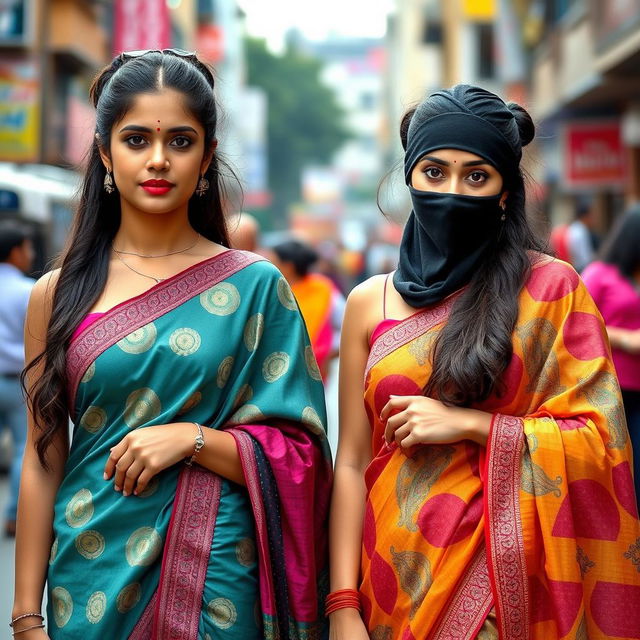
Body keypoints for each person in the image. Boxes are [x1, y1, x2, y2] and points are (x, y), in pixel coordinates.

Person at [11, 50, 332, 639]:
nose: (158, 160)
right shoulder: (56, 295)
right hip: (89, 576)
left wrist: (193, 440)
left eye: (180, 142)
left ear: (207, 156)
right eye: (136, 140)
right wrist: (26, 616)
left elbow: (302, 454)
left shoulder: (255, 287)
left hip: (218, 580)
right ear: (105, 152)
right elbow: (41, 458)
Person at [329, 84, 640, 640]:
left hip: (506, 586)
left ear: (504, 193)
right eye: (434, 172)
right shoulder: (366, 304)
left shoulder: (549, 289)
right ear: (409, 178)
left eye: (476, 176)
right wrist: (342, 604)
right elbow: (350, 462)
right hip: (388, 583)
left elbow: (601, 439)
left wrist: (473, 426)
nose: (452, 191)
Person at [582, 205, 640, 513]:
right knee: (615, 462)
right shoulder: (599, 275)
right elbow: (578, 322)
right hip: (612, 385)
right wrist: (626, 339)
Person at [0, 220, 34, 538]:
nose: (30, 253)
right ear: (15, 252)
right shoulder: (28, 291)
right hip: (16, 382)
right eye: (27, 247)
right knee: (26, 448)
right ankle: (13, 518)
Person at [271, 239, 345, 381]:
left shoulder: (322, 288)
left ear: (288, 266)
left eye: (273, 261)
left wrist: (329, 353)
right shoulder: (274, 290)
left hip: (317, 370)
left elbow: (348, 325)